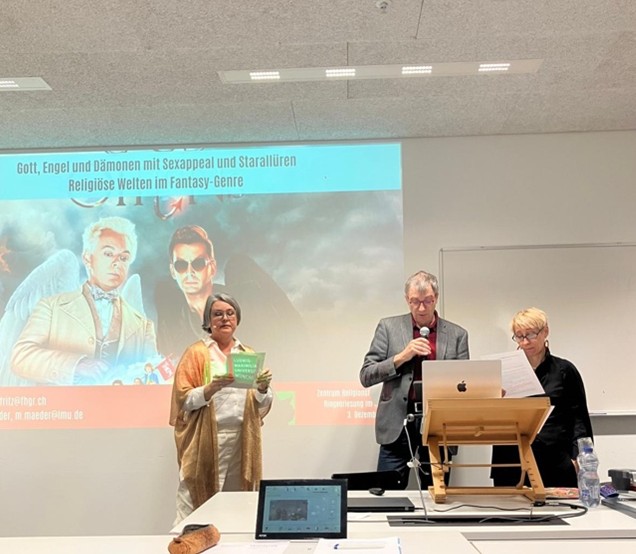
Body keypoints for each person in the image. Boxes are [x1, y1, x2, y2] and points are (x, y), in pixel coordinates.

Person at [11, 216, 157, 385]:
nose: (117, 263)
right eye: (108, 254)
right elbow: (20, 356)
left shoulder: (143, 326)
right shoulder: (51, 307)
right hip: (65, 403)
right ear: (88, 258)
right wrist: (76, 365)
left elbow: (151, 377)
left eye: (124, 258)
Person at [170, 292, 273, 524]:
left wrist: (263, 388)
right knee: (193, 501)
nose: (225, 318)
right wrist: (211, 388)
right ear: (208, 320)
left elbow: (261, 403)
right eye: (218, 314)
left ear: (237, 319)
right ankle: (188, 540)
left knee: (238, 502)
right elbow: (182, 400)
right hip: (206, 438)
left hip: (243, 438)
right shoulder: (197, 353)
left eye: (230, 313)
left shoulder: (247, 354)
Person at [360, 270, 469, 488]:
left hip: (439, 423)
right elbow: (366, 375)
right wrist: (402, 356)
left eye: (427, 301)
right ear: (406, 299)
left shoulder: (457, 335)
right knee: (387, 493)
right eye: (415, 301)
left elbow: (465, 385)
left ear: (436, 298)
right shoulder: (388, 327)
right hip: (397, 423)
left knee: (437, 494)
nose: (421, 308)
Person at [491, 307, 593, 487]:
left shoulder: (564, 370)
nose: (525, 342)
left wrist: (579, 459)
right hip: (511, 460)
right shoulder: (502, 371)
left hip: (555, 460)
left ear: (545, 331)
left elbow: (579, 420)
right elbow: (491, 417)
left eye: (531, 334)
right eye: (519, 336)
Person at [156, 225, 219, 358]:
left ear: (212, 267)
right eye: (181, 265)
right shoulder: (171, 326)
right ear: (173, 271)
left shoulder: (241, 305)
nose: (189, 272)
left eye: (198, 263)